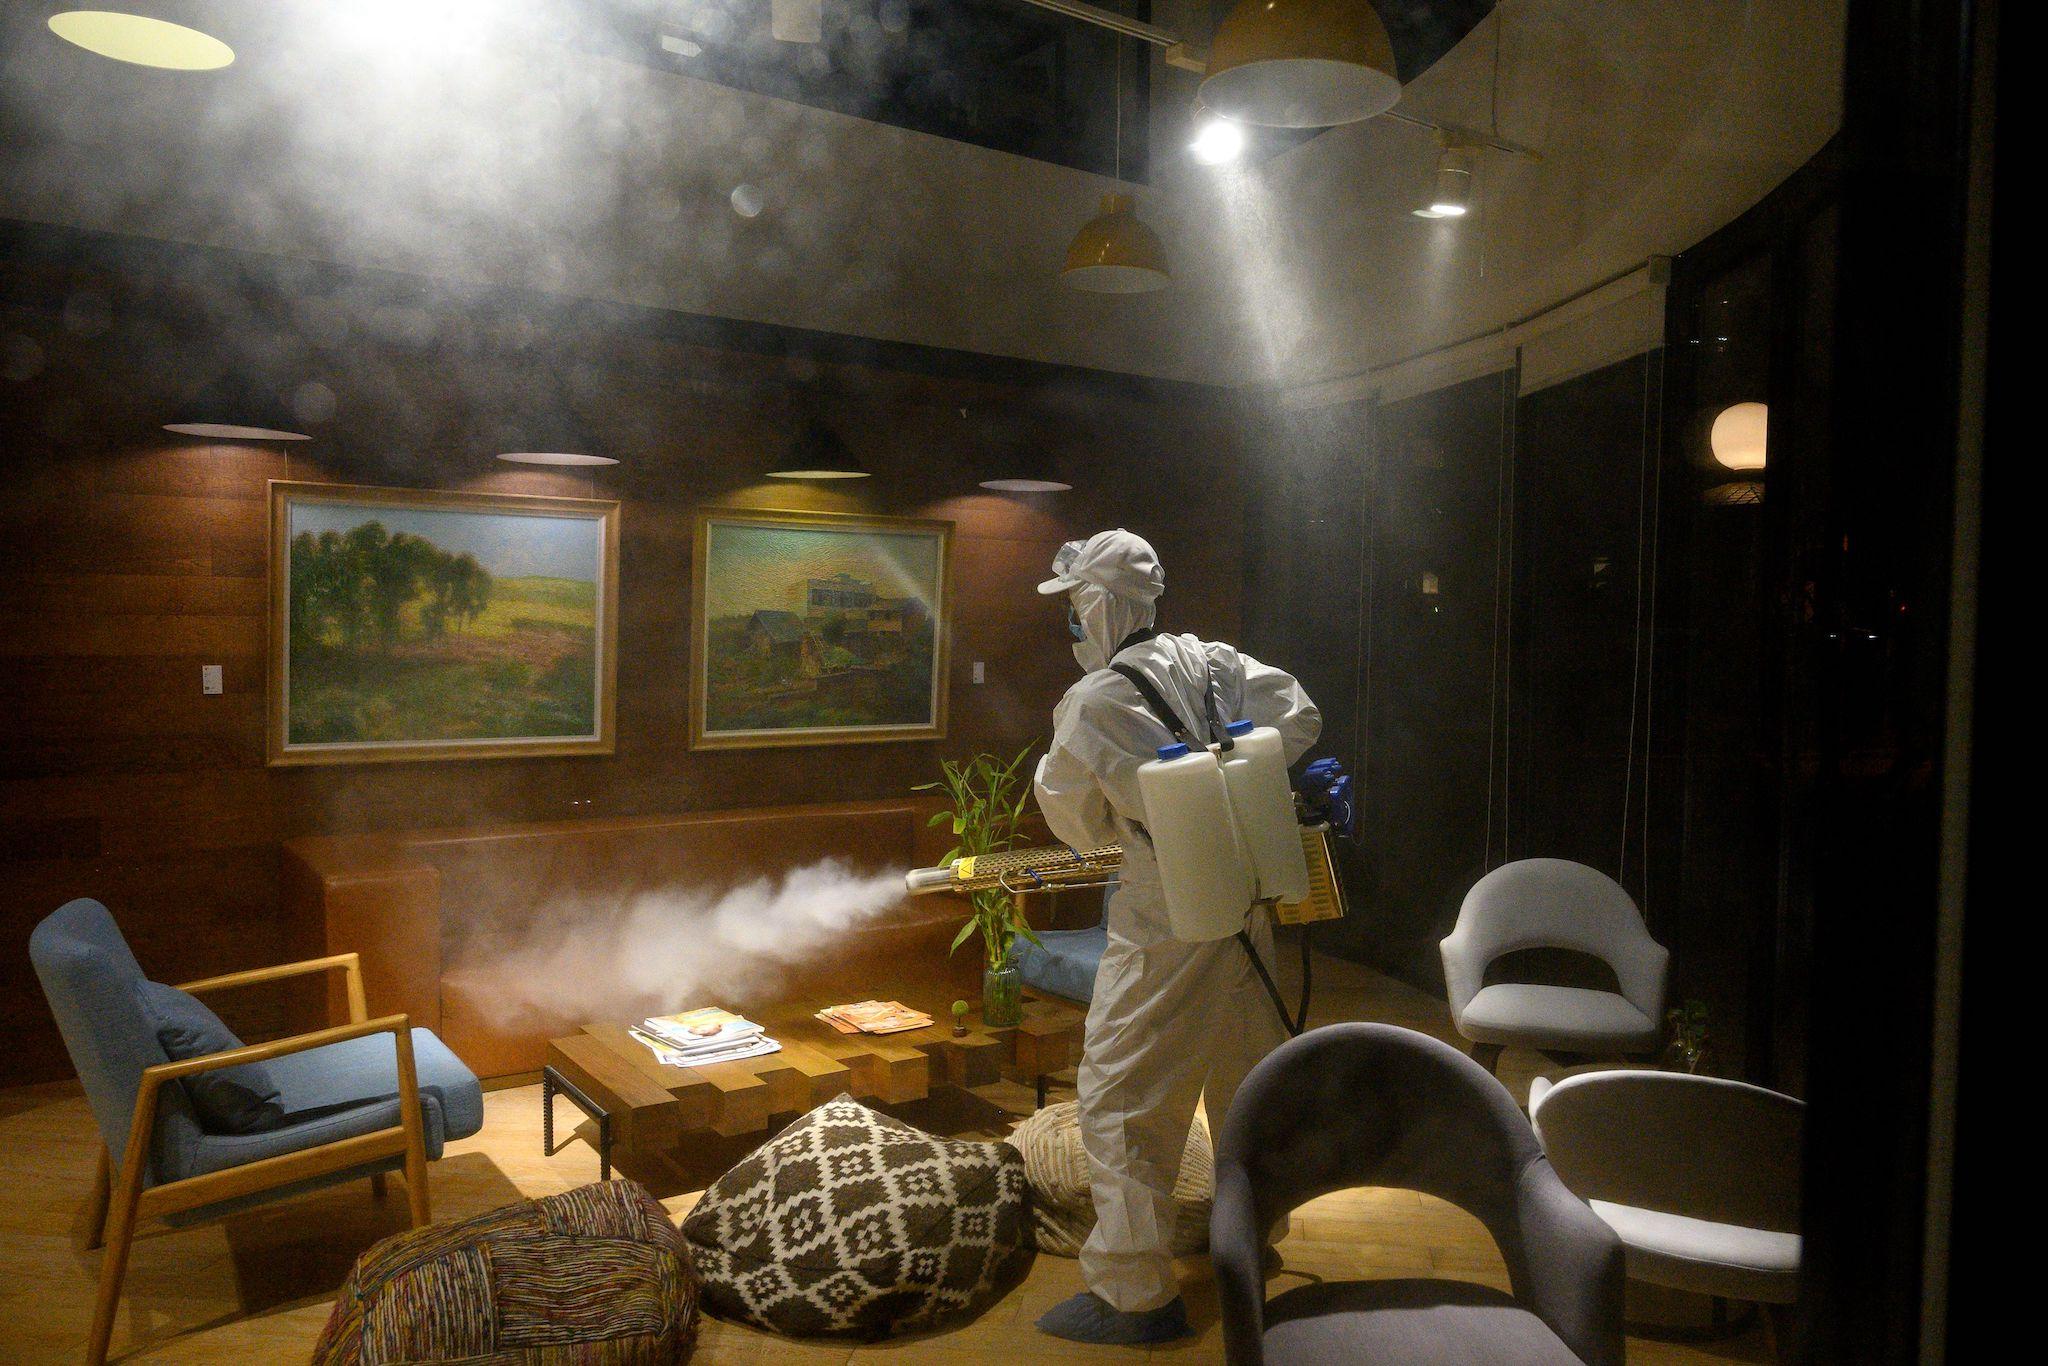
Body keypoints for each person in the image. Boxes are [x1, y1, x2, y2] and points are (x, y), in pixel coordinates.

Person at [1030, 528, 1321, 1345]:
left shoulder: (1092, 704)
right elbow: (1299, 713)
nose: (1074, 632)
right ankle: (1246, 1248)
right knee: (1245, 1083)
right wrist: (1239, 769)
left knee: (1123, 1097)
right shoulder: (1218, 662)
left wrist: (1151, 802)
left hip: (1164, 915)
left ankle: (1135, 1296)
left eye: (1075, 614)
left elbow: (1075, 821)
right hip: (1245, 902)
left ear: (1097, 605)